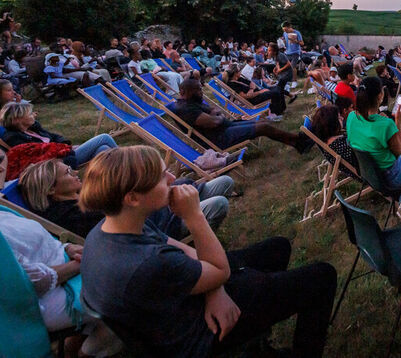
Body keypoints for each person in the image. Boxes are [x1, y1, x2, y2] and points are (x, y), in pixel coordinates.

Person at [79, 145, 337, 357]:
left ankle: (257, 339)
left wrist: (215, 287)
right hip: (199, 333)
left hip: (182, 301)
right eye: (161, 177)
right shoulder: (145, 264)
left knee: (277, 248)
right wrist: (194, 215)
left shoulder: (109, 229)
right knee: (322, 277)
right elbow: (219, 270)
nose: (172, 179)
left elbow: (184, 250)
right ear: (133, 198)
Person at [0, 203, 122, 357]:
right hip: (35, 304)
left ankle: (72, 349)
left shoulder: (2, 211)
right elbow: (26, 282)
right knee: (125, 296)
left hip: (62, 269)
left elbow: (36, 242)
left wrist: (67, 247)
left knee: (123, 274)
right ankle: (84, 354)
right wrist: (81, 263)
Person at [19, 159, 233, 239]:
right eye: (67, 173)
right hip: (159, 226)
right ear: (50, 189)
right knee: (219, 204)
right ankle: (200, 241)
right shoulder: (74, 215)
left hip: (158, 208)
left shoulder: (84, 196)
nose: (75, 172)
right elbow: (131, 224)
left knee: (224, 182)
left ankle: (195, 209)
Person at [166, 79, 308, 153]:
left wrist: (217, 116)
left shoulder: (191, 102)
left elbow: (214, 111)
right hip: (219, 138)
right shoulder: (186, 109)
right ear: (184, 92)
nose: (201, 93)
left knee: (263, 122)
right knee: (264, 127)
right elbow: (214, 121)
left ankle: (296, 143)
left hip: (225, 127)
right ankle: (299, 141)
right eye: (198, 90)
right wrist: (218, 117)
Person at [1, 101, 117, 171]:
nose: (34, 115)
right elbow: (40, 155)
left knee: (104, 149)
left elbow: (55, 137)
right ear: (17, 119)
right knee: (104, 138)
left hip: (64, 152)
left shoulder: (33, 128)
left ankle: (111, 180)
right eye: (30, 114)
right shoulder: (13, 138)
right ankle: (126, 163)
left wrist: (66, 145)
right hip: (56, 163)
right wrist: (66, 149)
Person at [345, 76, 401, 189]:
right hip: (392, 176)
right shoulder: (386, 125)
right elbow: (400, 152)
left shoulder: (351, 116)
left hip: (370, 174)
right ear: (380, 96)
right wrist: (398, 121)